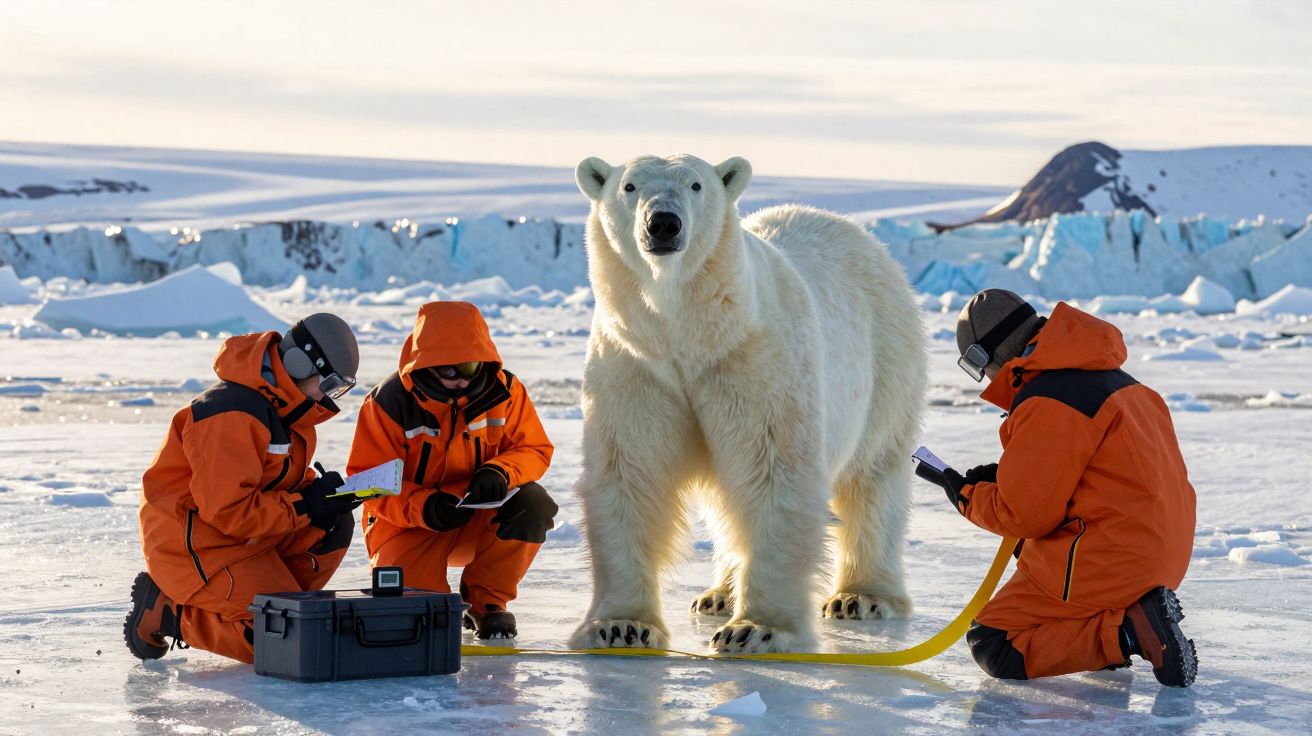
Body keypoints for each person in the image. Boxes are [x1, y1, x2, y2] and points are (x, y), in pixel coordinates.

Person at [934, 289, 1198, 687]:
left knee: (995, 642)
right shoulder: (1122, 383)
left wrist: (965, 496)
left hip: (1114, 563)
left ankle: (1130, 631)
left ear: (982, 356)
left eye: (977, 367)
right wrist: (1004, 478)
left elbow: (1024, 517)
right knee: (1035, 564)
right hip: (1164, 557)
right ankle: (1120, 620)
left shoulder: (1050, 398)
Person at [125, 313, 362, 664]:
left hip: (245, 540)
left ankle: (277, 607)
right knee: (285, 641)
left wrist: (322, 495)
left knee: (331, 526)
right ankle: (169, 613)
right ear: (299, 364)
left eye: (339, 389)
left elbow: (276, 480)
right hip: (199, 546)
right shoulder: (228, 414)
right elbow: (229, 512)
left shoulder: (290, 415)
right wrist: (307, 504)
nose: (328, 397)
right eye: (329, 384)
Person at [348, 301, 557, 639]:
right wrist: (424, 507)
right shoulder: (387, 403)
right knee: (422, 615)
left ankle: (487, 602)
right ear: (427, 365)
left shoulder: (506, 391)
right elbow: (367, 482)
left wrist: (500, 471)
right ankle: (430, 600)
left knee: (532, 503)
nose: (460, 379)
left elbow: (534, 448)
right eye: (448, 371)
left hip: (475, 518)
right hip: (407, 525)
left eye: (469, 367)